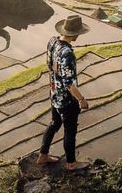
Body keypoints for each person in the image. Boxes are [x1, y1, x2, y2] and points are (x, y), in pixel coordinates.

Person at [37, 14, 91, 171]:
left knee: (54, 123)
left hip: (54, 93)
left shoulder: (53, 42)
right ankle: (71, 164)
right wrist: (81, 99)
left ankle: (42, 155)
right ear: (75, 34)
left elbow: (49, 65)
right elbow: (69, 84)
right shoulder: (67, 53)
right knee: (70, 130)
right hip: (67, 99)